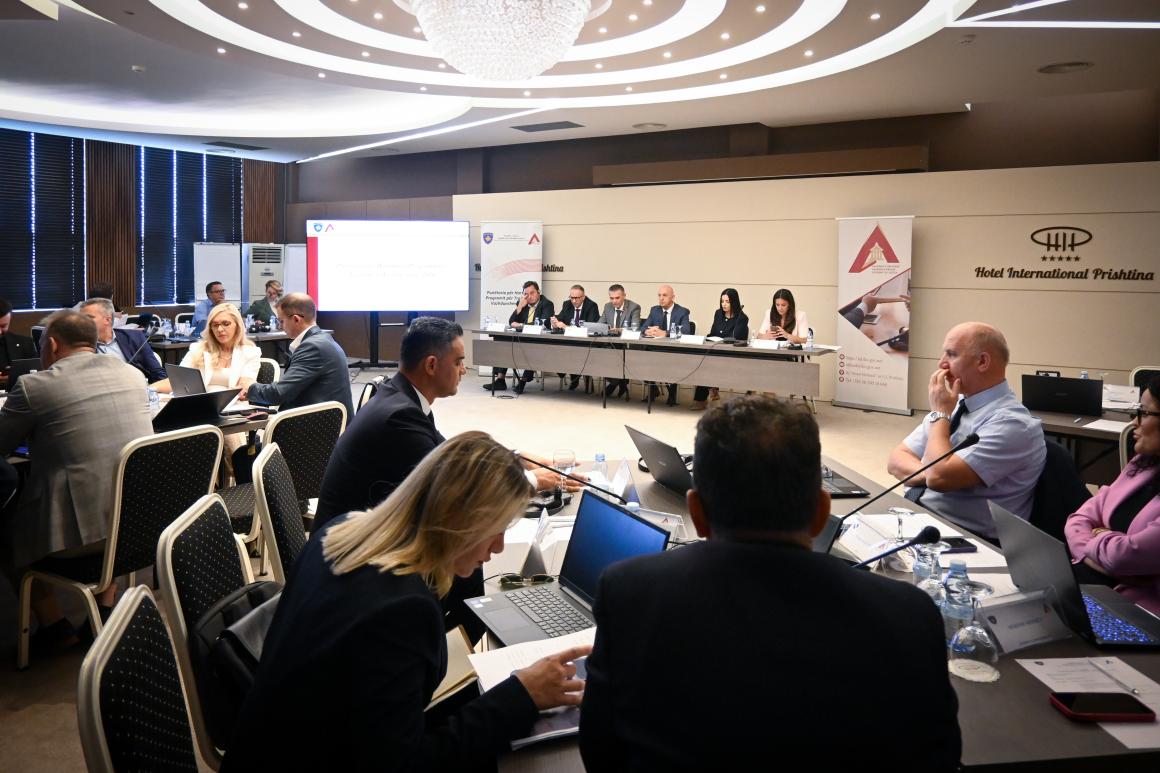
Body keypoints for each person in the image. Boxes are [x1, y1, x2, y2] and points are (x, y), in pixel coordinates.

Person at [578, 397, 961, 770]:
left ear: (697, 513)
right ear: (822, 513)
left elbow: (601, 752)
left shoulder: (629, 591)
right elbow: (937, 757)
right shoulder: (910, 614)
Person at [222, 432, 590, 772]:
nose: (498, 547)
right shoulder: (403, 609)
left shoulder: (341, 533)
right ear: (459, 522)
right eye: (495, 531)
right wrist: (521, 696)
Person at [0, 310, 153, 648]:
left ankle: (54, 627)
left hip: (80, 540)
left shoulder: (35, 386)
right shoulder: (132, 375)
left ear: (52, 344)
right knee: (110, 487)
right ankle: (103, 608)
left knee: (5, 528)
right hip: (138, 528)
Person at [888, 322, 1046, 540]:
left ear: (982, 362)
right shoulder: (955, 404)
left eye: (951, 354)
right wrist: (929, 472)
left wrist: (940, 415)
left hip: (966, 539)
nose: (941, 364)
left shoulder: (1013, 425)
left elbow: (939, 479)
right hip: (919, 518)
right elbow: (896, 460)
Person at [1066, 377, 1160, 615]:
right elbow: (1077, 520)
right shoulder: (1143, 464)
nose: (1134, 422)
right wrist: (1103, 550)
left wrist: (1099, 536)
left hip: (1138, 612)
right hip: (1095, 585)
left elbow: (1123, 557)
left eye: (1144, 413)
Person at [240, 292, 353, 417]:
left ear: (296, 319)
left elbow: (279, 393)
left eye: (281, 321)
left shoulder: (313, 347)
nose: (280, 326)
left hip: (317, 425)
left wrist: (250, 388)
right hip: (322, 418)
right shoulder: (322, 340)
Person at [485, 280, 555, 394]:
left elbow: (544, 323)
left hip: (537, 340)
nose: (529, 296)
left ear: (538, 292)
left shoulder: (547, 304)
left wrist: (521, 325)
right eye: (526, 294)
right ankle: (500, 380)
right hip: (521, 338)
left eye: (532, 293)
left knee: (531, 348)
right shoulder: (522, 303)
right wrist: (519, 307)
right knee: (503, 342)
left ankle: (522, 382)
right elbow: (511, 321)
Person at [79, 297, 166, 383]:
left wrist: (148, 389)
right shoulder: (79, 345)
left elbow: (158, 374)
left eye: (88, 318)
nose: (82, 322)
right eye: (81, 318)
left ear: (107, 320)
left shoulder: (135, 338)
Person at [691, 288, 749, 410]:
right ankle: (706, 395)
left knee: (709, 363)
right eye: (722, 301)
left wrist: (724, 338)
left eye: (727, 301)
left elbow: (738, 337)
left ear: (734, 302)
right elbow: (713, 332)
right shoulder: (718, 314)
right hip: (715, 351)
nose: (724, 304)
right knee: (704, 361)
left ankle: (704, 396)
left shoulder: (742, 318)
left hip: (731, 355)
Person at [642, 284, 691, 406]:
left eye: (664, 295)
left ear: (673, 297)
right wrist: (648, 331)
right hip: (655, 349)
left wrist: (666, 333)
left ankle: (672, 394)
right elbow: (643, 328)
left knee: (669, 361)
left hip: (673, 350)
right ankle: (653, 389)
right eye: (659, 295)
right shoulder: (654, 310)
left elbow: (686, 331)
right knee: (639, 357)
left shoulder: (682, 312)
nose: (661, 298)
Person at [551, 284, 600, 390]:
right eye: (571, 297)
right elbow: (560, 318)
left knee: (577, 352)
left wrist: (566, 327)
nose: (573, 301)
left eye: (576, 298)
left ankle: (578, 378)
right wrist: (554, 322)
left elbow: (589, 328)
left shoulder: (592, 306)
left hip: (585, 343)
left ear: (583, 297)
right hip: (569, 341)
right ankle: (572, 375)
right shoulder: (567, 304)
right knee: (555, 351)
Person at [598, 284, 641, 397]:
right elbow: (600, 324)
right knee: (599, 353)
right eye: (611, 298)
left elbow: (636, 329)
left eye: (617, 298)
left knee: (616, 354)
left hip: (626, 345)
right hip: (610, 343)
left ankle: (614, 383)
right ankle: (620, 382)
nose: (614, 301)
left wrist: (620, 330)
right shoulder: (607, 307)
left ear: (624, 296)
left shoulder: (634, 307)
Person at [0, 297, 37, 390]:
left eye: (3, 326)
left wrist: (15, 378)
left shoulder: (25, 344)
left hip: (18, 393)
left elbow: (36, 374)